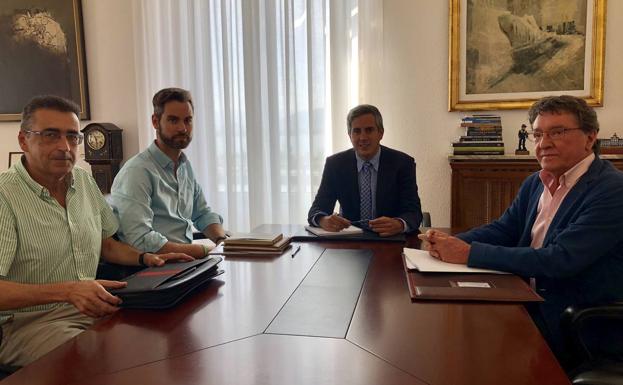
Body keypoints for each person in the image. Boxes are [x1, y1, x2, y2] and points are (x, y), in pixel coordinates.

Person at [420, 95, 623, 364]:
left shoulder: (611, 189)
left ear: (590, 137)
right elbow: (504, 229)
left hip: (575, 322)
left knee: (467, 356)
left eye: (557, 132)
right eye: (538, 134)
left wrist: (467, 253)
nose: (544, 143)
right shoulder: (535, 182)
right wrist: (448, 241)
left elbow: (559, 259)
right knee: (448, 342)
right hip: (524, 298)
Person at [0, 95, 193, 368]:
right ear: (23, 141)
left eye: (72, 136)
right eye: (50, 135)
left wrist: (146, 258)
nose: (64, 147)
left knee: (162, 338)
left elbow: (108, 245)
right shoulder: (5, 196)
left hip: (93, 308)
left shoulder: (84, 181)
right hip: (26, 324)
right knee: (101, 362)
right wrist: (68, 292)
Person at [111, 88, 227, 258]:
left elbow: (202, 213)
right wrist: (202, 251)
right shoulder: (137, 172)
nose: (183, 128)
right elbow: (140, 239)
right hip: (154, 269)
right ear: (155, 122)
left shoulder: (184, 167)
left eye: (188, 120)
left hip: (185, 264)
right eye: (173, 120)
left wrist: (222, 241)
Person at [308, 104, 423, 236]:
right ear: (349, 135)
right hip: (350, 240)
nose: (363, 137)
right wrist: (323, 220)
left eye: (369, 130)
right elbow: (316, 209)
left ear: (381, 133)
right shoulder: (335, 164)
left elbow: (414, 212)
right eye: (356, 131)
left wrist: (399, 224)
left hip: (389, 240)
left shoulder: (402, 163)